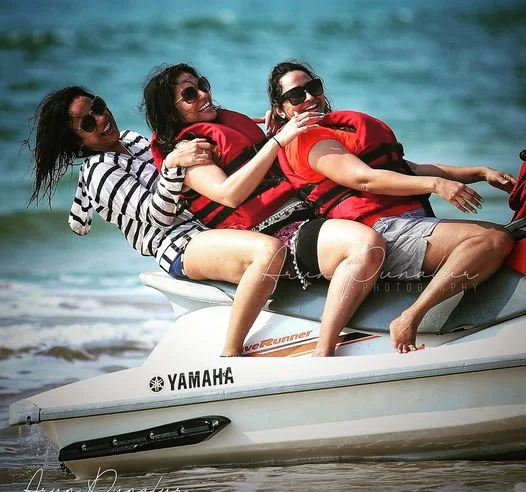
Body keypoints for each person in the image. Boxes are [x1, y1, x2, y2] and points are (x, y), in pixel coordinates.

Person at [267, 60, 516, 353]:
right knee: (493, 239)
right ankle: (410, 317)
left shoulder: (340, 130)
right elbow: (365, 180)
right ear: (282, 109)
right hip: (382, 232)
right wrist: (437, 186)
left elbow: (408, 168)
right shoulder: (309, 139)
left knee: (500, 235)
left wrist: (480, 173)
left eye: (313, 88)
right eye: (296, 96)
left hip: (407, 223)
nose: (309, 98)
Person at [26, 86, 291, 357]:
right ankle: (231, 352)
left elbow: (189, 155)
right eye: (88, 123)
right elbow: (157, 216)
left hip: (211, 226)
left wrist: (250, 132)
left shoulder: (132, 139)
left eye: (98, 107)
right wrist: (173, 167)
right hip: (179, 244)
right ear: (78, 141)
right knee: (268, 251)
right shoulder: (98, 171)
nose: (102, 118)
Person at [143, 63, 386, 357]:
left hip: (302, 217)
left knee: (374, 236)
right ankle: (240, 353)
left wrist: (278, 131)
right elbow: (228, 195)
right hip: (268, 233)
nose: (205, 94)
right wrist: (276, 141)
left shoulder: (230, 124)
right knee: (366, 246)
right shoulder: (191, 152)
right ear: (172, 113)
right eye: (191, 94)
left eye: (203, 84)